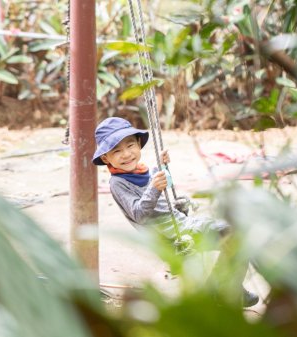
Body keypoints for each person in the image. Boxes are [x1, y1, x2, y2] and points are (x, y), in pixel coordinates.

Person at [92, 116, 258, 307]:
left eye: (130, 146)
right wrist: (155, 187)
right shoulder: (118, 183)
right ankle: (224, 289)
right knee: (234, 232)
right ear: (106, 158)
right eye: (117, 151)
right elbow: (138, 213)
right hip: (173, 235)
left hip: (180, 222)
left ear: (139, 143)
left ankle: (226, 287)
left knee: (236, 238)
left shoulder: (141, 170)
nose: (126, 154)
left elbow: (155, 187)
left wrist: (161, 168)